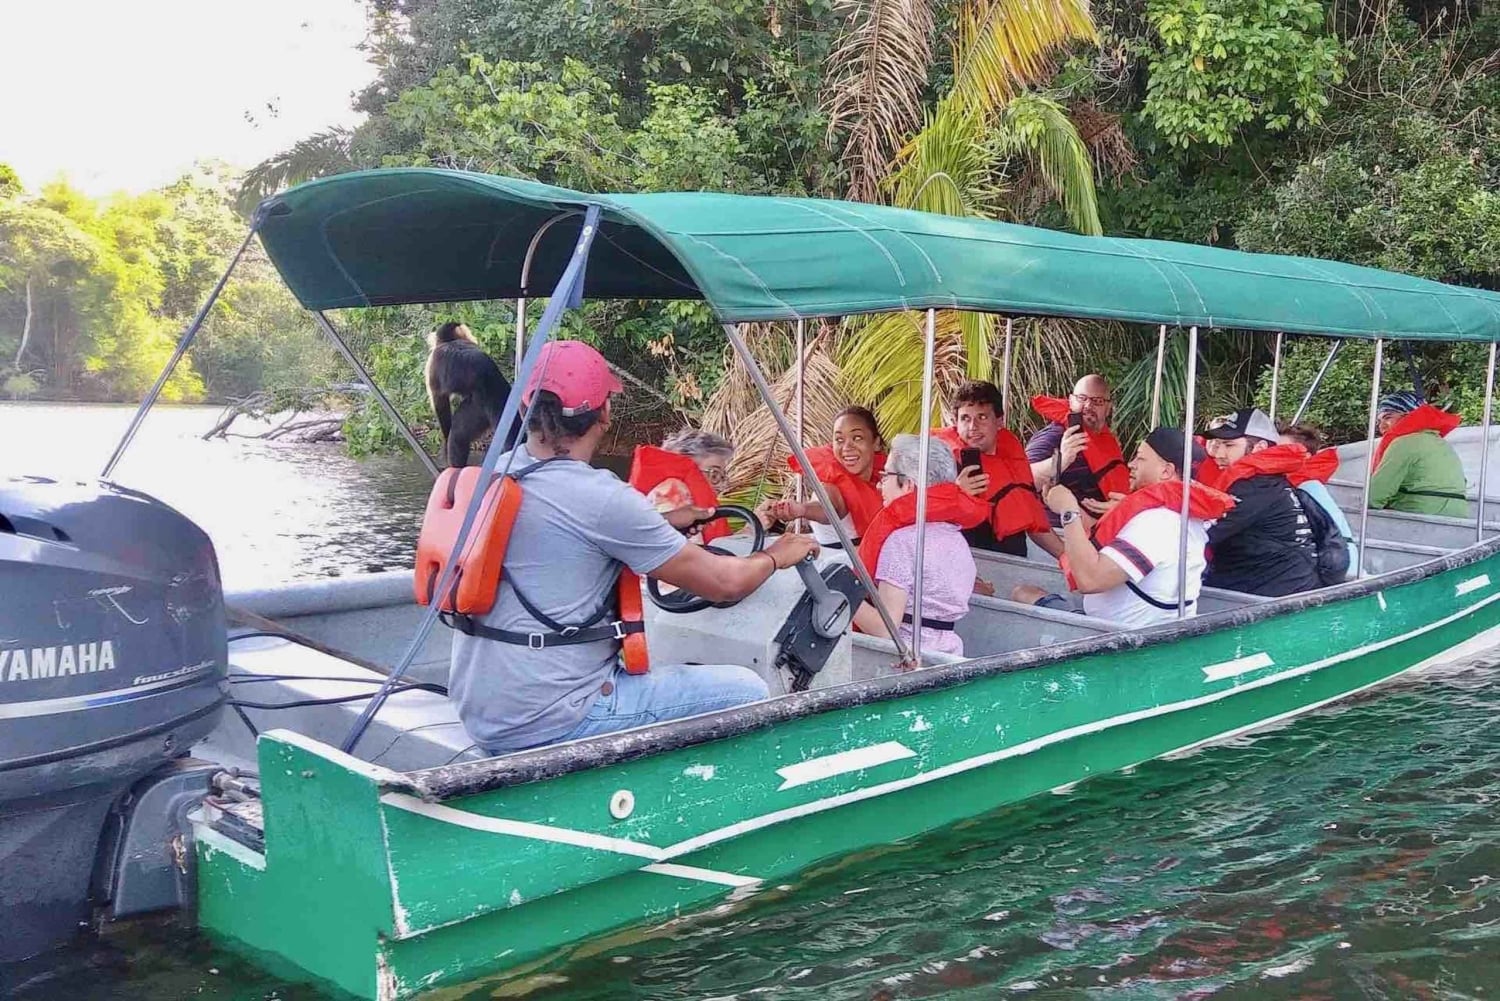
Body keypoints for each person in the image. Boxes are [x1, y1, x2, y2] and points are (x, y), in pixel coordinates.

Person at [447, 340, 819, 754]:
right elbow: (724, 582)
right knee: (746, 689)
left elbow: (567, 533)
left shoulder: (494, 473)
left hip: (481, 711)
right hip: (556, 717)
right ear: (605, 413)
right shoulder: (603, 498)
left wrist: (663, 523)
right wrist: (777, 554)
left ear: (524, 407)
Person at [1011, 428, 1233, 627]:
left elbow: (1088, 580)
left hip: (1115, 635)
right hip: (1139, 627)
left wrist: (1068, 511)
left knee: (1023, 593)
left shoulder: (1159, 523)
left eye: (1140, 458)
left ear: (1166, 471)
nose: (1131, 464)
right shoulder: (1182, 513)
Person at [851, 435, 985, 657]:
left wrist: (842, 591)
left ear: (908, 485)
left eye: (886, 476)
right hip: (950, 654)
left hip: (903, 662)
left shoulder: (901, 543)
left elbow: (886, 629)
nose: (879, 484)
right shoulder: (956, 537)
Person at [935, 380, 1062, 558]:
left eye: (982, 417)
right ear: (955, 422)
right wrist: (956, 494)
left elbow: (1032, 518)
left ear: (999, 421)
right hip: (969, 563)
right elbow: (924, 524)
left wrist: (1068, 558)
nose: (973, 427)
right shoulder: (941, 464)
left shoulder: (1012, 457)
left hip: (1013, 564)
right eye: (965, 418)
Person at [1201, 408, 1321, 596]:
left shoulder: (1255, 486)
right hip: (1287, 583)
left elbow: (1202, 533)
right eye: (1218, 444)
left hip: (1270, 593)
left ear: (1259, 448)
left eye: (1229, 445)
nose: (1219, 454)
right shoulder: (1269, 478)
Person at [768, 406, 887, 549]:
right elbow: (825, 506)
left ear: (876, 443)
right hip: (843, 561)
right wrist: (803, 509)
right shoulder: (831, 488)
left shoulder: (885, 480)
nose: (847, 447)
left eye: (857, 438)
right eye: (839, 440)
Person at [1026, 375, 1132, 517]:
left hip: (1106, 524)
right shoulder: (1054, 436)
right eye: (1082, 398)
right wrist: (1062, 460)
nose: (1088, 406)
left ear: (1108, 408)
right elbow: (1022, 479)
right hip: (1061, 526)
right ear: (1071, 401)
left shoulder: (1107, 441)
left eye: (1097, 401)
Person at [1367, 391, 1467, 517]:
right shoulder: (1443, 444)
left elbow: (1375, 495)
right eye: (1379, 421)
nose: (1381, 426)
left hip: (1421, 512)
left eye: (1388, 417)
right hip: (1459, 514)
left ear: (1409, 415)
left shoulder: (1404, 443)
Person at [631, 428, 735, 544]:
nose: (720, 485)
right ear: (685, 462)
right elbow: (692, 553)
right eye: (714, 474)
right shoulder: (672, 493)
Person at [1279, 423, 1358, 574]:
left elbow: (1334, 535)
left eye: (1282, 450)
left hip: (1337, 567)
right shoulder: (1294, 483)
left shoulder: (1309, 487)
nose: (1272, 454)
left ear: (1305, 456)